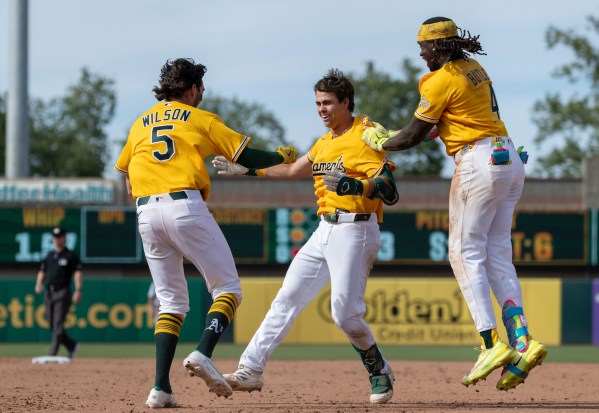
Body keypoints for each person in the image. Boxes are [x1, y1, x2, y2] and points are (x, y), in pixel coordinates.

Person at [361, 17, 547, 391]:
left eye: (424, 46)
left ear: (440, 46)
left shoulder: (439, 78)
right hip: (508, 156)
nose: (420, 52)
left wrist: (382, 141)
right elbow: (441, 123)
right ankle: (523, 342)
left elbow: (415, 134)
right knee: (497, 254)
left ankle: (490, 343)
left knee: (463, 252)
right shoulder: (474, 68)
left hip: (478, 162)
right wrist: (400, 135)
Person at [113, 57, 298, 409]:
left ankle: (160, 388)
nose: (202, 94)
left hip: (145, 211)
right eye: (201, 88)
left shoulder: (140, 123)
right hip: (185, 205)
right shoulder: (200, 118)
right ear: (194, 88)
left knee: (170, 303)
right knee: (227, 287)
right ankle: (203, 351)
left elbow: (126, 176)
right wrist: (279, 155)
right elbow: (246, 155)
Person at [212, 69, 399, 404]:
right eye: (317, 103)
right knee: (287, 297)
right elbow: (292, 170)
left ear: (346, 102)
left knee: (345, 314)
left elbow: (388, 187)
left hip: (356, 228)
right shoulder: (324, 143)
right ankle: (251, 368)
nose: (321, 109)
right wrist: (249, 170)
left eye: (328, 102)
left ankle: (378, 369)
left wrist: (357, 185)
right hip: (324, 229)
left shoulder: (364, 135)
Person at [35, 227, 82, 359]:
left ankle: (53, 352)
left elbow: (77, 273)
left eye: (59, 236)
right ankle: (71, 345)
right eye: (55, 237)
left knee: (57, 323)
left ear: (64, 238)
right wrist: (38, 283)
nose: (57, 239)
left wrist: (78, 290)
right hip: (49, 292)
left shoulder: (70, 255)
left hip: (63, 291)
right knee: (51, 322)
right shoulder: (49, 255)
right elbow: (42, 270)